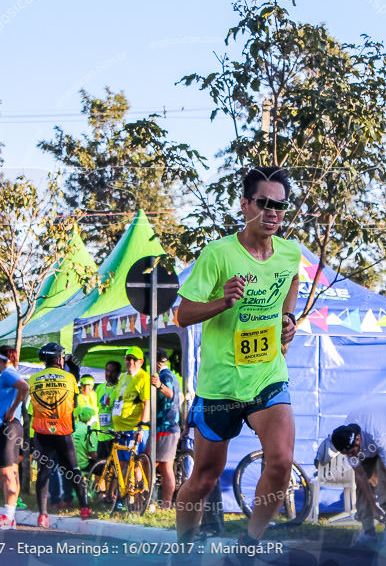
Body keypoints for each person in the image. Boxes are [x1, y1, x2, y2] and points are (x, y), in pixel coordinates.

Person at [175, 166, 301, 546]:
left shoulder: (290, 253)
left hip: (267, 375)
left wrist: (288, 316)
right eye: (263, 203)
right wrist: (222, 301)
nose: (272, 212)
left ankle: (249, 544)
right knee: (205, 477)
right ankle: (183, 548)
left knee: (280, 463)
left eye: (280, 205)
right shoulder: (218, 254)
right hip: (221, 385)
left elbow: (292, 278)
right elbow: (181, 315)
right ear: (245, 204)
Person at [328, 400, 386, 545]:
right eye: (347, 453)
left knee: (383, 475)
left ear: (358, 439)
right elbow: (360, 476)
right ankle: (368, 531)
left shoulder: (380, 436)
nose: (351, 455)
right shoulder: (347, 443)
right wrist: (372, 507)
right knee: (364, 481)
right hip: (371, 427)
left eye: (352, 451)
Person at [27, 342, 90, 526]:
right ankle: (84, 508)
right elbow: (75, 404)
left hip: (41, 432)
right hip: (63, 431)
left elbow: (32, 408)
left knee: (44, 472)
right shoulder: (69, 378)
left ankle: (43, 515)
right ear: (59, 359)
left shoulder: (33, 379)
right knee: (74, 469)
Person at [0, 345, 29, 530]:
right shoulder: (6, 374)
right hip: (10, 427)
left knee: (5, 472)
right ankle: (10, 516)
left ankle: (8, 516)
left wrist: (12, 409)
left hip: (6, 426)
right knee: (10, 471)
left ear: (0, 359)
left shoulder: (7, 373)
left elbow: (24, 387)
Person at [149, 348, 181, 509]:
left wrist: (159, 384)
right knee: (165, 466)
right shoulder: (173, 376)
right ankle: (165, 506)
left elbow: (170, 394)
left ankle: (147, 502)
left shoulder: (165, 376)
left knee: (148, 463)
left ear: (156, 361)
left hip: (164, 426)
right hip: (171, 426)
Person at [111, 347, 150, 476]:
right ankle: (118, 495)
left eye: (134, 359)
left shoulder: (143, 377)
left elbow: (147, 404)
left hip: (133, 429)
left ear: (141, 362)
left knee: (135, 466)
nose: (131, 362)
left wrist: (142, 428)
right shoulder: (123, 377)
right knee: (120, 465)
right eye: (128, 359)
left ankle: (138, 495)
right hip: (119, 429)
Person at [95, 360, 122, 463]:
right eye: (107, 371)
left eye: (113, 371)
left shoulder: (120, 388)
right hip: (102, 435)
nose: (109, 374)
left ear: (118, 373)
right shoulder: (100, 388)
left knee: (114, 469)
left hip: (114, 435)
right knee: (101, 469)